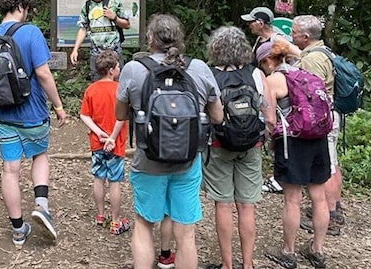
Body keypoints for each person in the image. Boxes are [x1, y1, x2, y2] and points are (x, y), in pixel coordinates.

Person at [115, 14, 223, 269]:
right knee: (185, 234)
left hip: (148, 161)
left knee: (143, 224)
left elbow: (120, 114)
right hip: (187, 162)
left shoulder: (134, 69)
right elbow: (217, 117)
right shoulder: (198, 68)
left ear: (150, 39)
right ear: (180, 39)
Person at [0, 0, 68, 247]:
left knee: (9, 170)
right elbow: (43, 74)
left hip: (4, 116)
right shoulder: (31, 33)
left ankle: (18, 230)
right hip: (33, 113)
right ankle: (41, 204)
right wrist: (59, 106)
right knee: (39, 155)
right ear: (20, 6)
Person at [203, 26, 273, 269]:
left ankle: (227, 264)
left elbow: (207, 114)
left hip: (219, 144)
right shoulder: (256, 75)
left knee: (223, 204)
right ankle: (248, 264)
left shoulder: (209, 75)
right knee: (246, 206)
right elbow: (270, 116)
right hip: (251, 145)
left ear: (215, 49)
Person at [259, 40, 330, 269]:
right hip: (318, 139)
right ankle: (317, 250)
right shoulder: (304, 73)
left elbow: (269, 118)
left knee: (292, 199)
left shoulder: (274, 80)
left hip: (294, 143)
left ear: (268, 60)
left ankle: (288, 252)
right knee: (319, 196)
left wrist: (270, 142)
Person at [292, 15, 344, 236]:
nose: (291, 35)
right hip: (330, 115)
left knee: (327, 168)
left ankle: (330, 215)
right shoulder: (324, 51)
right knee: (331, 162)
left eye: (294, 32)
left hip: (320, 119)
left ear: (305, 36)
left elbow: (311, 93)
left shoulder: (312, 59)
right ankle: (334, 206)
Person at [78, 50, 129, 235]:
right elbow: (122, 117)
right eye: (117, 66)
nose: (119, 69)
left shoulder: (91, 90)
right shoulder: (120, 90)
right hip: (116, 144)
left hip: (97, 144)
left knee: (98, 178)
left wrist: (99, 133)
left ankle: (100, 215)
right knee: (114, 181)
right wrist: (112, 138)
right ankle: (115, 221)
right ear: (111, 70)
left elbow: (84, 115)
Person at [70, 0, 131, 80]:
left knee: (116, 84)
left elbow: (127, 25)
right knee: (97, 83)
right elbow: (83, 28)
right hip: (96, 53)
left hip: (114, 51)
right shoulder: (87, 6)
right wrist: (75, 49)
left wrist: (114, 17)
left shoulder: (114, 2)